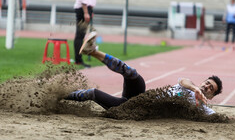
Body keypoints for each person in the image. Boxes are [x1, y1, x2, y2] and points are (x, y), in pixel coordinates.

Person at [65, 31, 223, 116]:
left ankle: (61, 95)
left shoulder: (203, 109)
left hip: (134, 110)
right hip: (142, 97)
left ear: (211, 97)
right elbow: (183, 81)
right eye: (207, 83)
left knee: (93, 93)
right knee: (132, 73)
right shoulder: (190, 85)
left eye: (211, 88)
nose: (207, 86)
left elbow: (220, 118)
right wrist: (195, 89)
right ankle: (92, 51)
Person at [73, 0, 98, 68]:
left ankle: (78, 59)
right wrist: (86, 12)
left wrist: (90, 10)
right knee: (80, 35)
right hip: (83, 9)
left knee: (81, 35)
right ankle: (78, 60)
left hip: (86, 8)